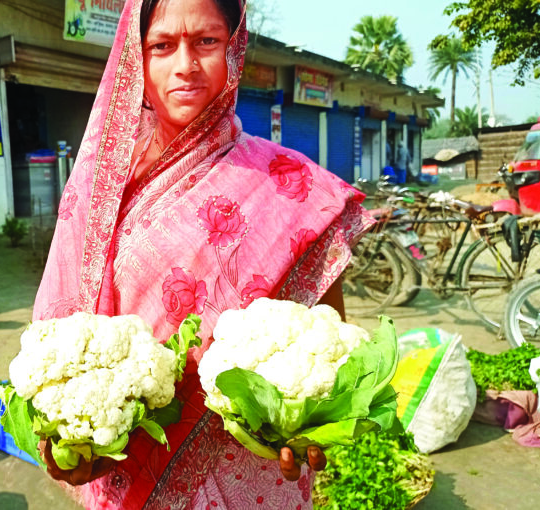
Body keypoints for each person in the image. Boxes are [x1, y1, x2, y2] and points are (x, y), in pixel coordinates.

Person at [32, 0, 373, 508]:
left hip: (251, 479)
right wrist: (69, 435)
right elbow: (61, 345)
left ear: (234, 49)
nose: (185, 64)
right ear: (135, 59)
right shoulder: (102, 193)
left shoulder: (290, 184)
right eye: (162, 46)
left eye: (206, 42)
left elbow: (330, 339)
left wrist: (310, 425)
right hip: (130, 472)